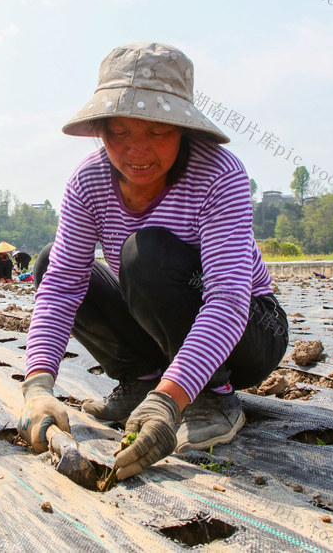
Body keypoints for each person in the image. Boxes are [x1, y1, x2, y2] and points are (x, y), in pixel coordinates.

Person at [17, 42, 288, 482]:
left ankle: (211, 395)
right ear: (100, 130)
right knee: (50, 262)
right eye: (119, 132)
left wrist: (171, 400)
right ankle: (143, 381)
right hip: (160, 327)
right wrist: (38, 386)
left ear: (182, 128)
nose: (137, 151)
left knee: (146, 254)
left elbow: (228, 299)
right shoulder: (89, 182)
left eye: (158, 131)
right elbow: (63, 286)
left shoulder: (219, 174)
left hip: (250, 329)